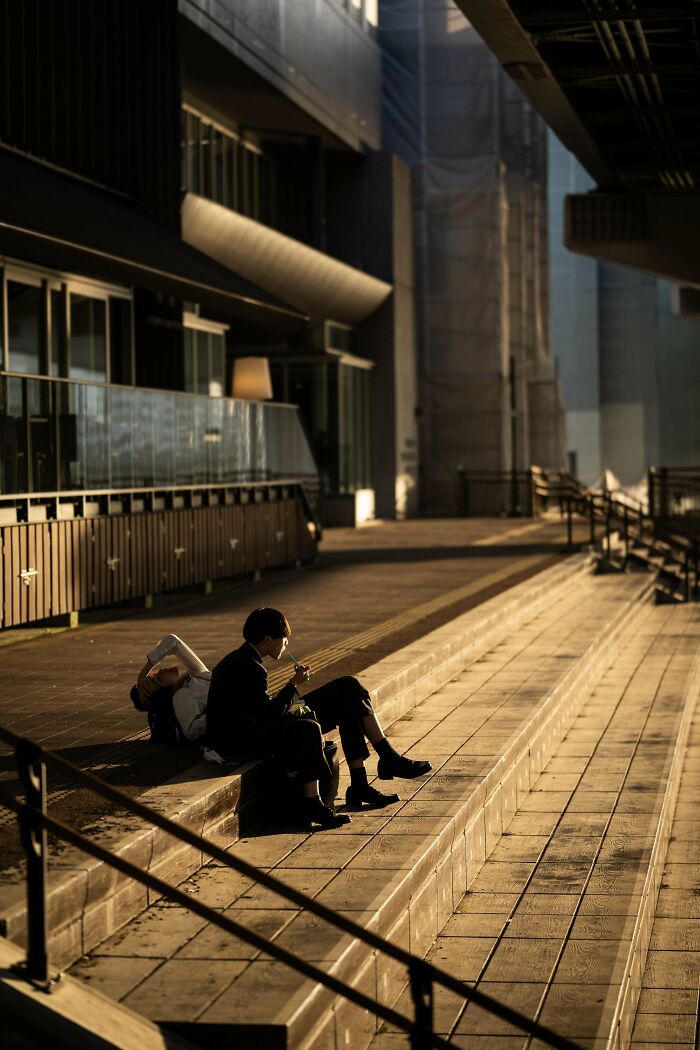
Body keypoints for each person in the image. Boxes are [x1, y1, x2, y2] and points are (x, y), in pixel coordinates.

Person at [206, 607, 432, 830]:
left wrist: (291, 695)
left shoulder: (244, 660)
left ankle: (372, 772)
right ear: (267, 640)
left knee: (348, 688)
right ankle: (314, 803)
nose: (286, 646)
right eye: (284, 640)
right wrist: (293, 684)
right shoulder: (248, 667)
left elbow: (262, 709)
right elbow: (269, 717)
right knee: (309, 727)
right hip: (243, 739)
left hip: (256, 724)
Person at [132, 634, 211, 744]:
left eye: (154, 675)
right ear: (163, 692)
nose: (159, 671)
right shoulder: (181, 696)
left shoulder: (195, 674)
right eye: (157, 680)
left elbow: (172, 640)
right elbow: (193, 731)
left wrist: (144, 672)